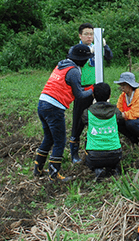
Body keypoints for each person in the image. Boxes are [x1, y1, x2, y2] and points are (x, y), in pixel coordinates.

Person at [33, 44, 94, 181]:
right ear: (82, 60)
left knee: (48, 138)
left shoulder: (62, 66)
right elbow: (79, 95)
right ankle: (54, 175)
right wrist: (93, 90)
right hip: (54, 108)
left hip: (42, 103)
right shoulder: (74, 71)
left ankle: (38, 169)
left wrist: (87, 88)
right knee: (60, 141)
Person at [69, 23, 114, 164]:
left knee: (97, 118)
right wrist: (90, 51)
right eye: (86, 34)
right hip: (82, 89)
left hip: (97, 88)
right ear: (80, 35)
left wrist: (104, 46)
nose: (89, 37)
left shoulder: (98, 46)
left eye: (92, 34)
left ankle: (94, 148)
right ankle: (74, 152)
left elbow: (109, 57)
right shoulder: (76, 50)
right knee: (78, 120)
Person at [81, 82, 123, 181]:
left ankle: (98, 169)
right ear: (109, 96)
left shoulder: (87, 112)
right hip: (115, 155)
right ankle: (114, 168)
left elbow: (84, 121)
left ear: (93, 95)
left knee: (87, 140)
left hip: (94, 157)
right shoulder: (115, 111)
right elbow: (121, 119)